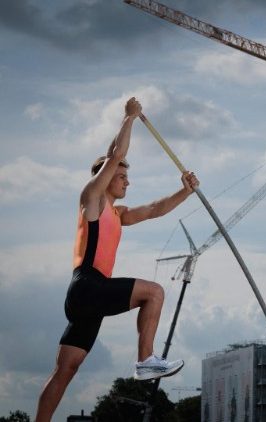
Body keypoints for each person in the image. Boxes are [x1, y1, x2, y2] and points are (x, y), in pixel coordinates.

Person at [35, 97, 200, 421]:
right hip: (88, 284)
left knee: (65, 370)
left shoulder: (118, 213)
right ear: (105, 176)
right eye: (122, 176)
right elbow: (116, 155)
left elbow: (155, 209)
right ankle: (145, 360)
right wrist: (129, 118)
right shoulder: (92, 199)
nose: (127, 181)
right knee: (154, 292)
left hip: (87, 296)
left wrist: (185, 191)